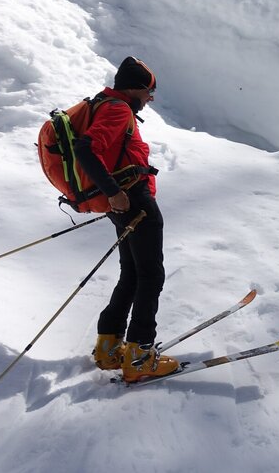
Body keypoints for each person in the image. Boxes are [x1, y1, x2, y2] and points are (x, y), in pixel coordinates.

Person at [77, 56, 178, 382]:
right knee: (151, 275)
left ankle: (109, 348)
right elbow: (85, 149)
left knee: (133, 273)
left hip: (123, 201)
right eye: (149, 91)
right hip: (133, 200)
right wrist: (114, 192)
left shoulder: (106, 105)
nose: (150, 98)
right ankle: (139, 356)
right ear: (134, 88)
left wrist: (113, 194)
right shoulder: (118, 109)